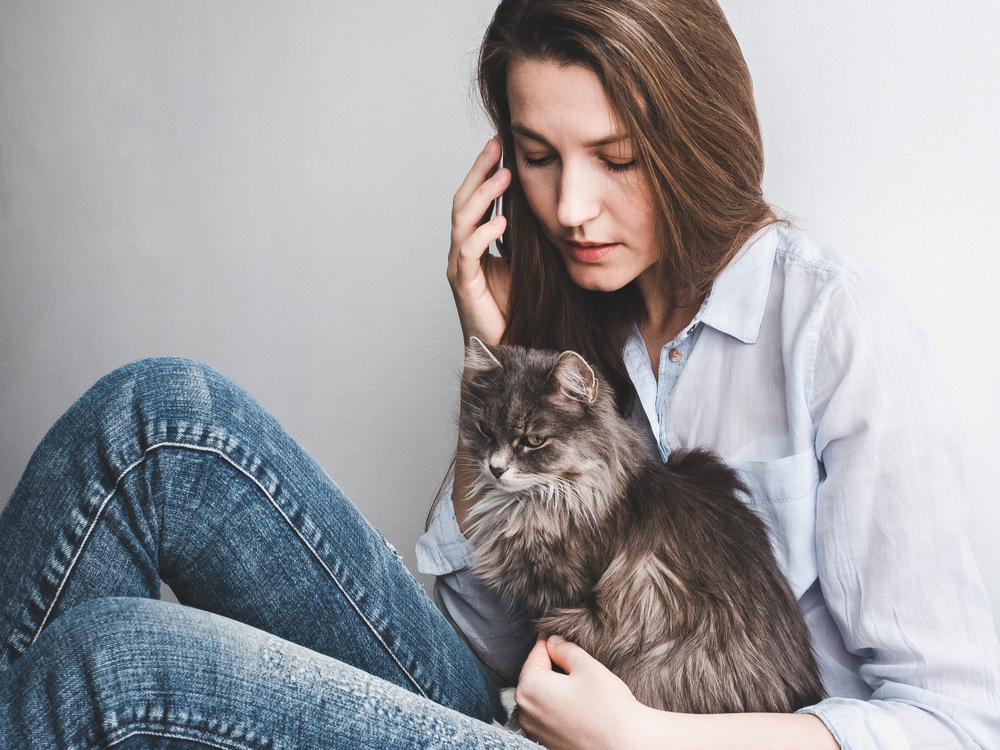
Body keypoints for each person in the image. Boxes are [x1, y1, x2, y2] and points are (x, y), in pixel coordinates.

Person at [0, 0, 997, 749]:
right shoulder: (568, 319)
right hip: (516, 714)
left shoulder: (832, 327)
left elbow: (955, 722)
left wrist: (649, 738)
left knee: (110, 661)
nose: (571, 209)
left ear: (694, 141)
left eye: (618, 158)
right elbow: (478, 645)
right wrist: (493, 352)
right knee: (156, 419)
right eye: (538, 156)